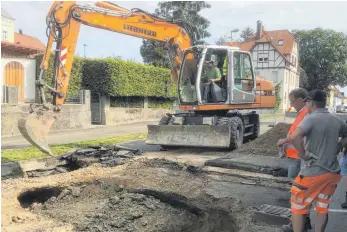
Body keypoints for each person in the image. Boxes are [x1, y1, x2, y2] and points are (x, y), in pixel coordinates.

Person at [277, 89, 346, 232]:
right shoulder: (336, 119)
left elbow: (296, 137)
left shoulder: (311, 118)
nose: (306, 105)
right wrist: (339, 145)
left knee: (297, 206)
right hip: (332, 173)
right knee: (322, 207)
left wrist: (303, 154)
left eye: (307, 102)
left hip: (313, 172)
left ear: (312, 103)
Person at [279, 88, 311, 232]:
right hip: (295, 157)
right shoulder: (302, 113)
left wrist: (284, 141)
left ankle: (296, 225)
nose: (291, 104)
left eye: (292, 101)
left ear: (300, 99)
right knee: (298, 192)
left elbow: (298, 137)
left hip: (298, 158)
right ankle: (303, 222)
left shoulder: (305, 114)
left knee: (297, 192)